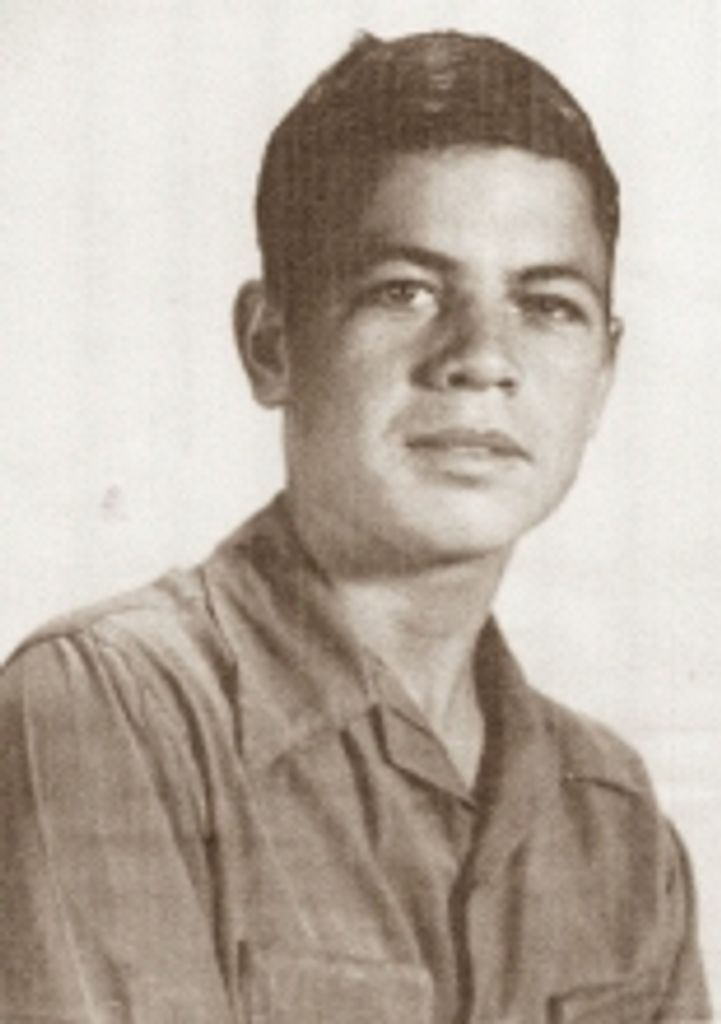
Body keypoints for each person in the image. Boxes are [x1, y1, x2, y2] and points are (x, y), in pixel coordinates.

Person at [0, 30, 711, 1024]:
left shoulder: (613, 818)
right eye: (404, 291)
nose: (480, 357)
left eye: (546, 304)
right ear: (271, 343)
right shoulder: (112, 711)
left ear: (602, 373)